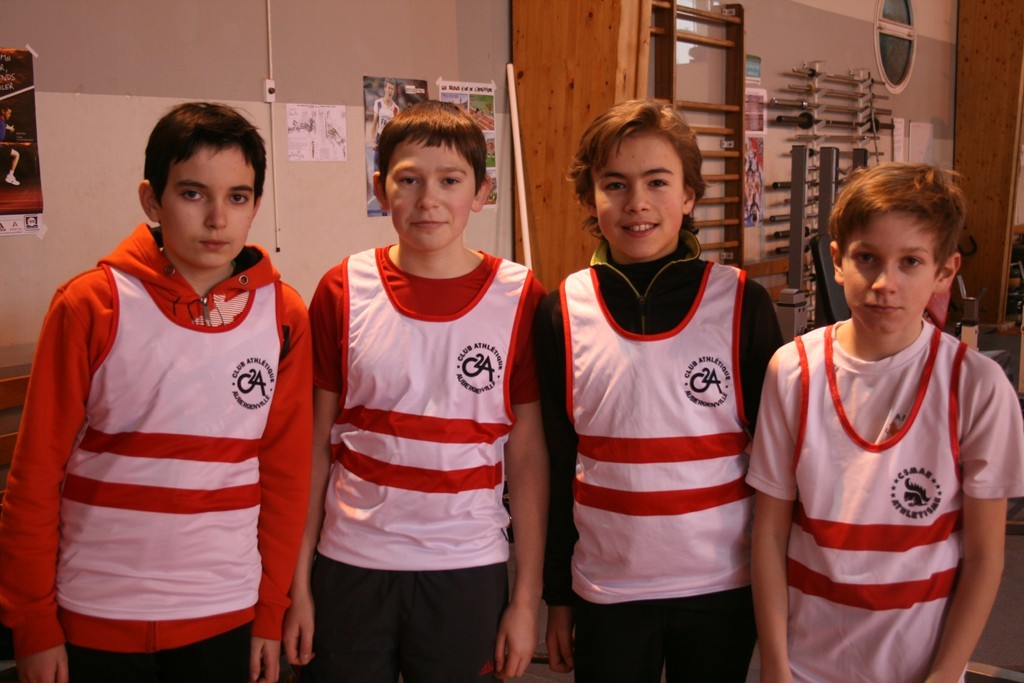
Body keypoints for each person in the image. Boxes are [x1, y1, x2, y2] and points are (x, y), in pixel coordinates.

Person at [0, 102, 313, 683]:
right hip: (95, 611)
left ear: (255, 206)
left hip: (227, 612)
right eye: (193, 194)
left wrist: (271, 610)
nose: (217, 218)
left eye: (238, 197)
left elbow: (286, 476)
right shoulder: (91, 304)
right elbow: (34, 477)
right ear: (151, 200)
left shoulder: (284, 314)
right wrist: (33, 622)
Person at [283, 100, 549, 681]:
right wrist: (296, 583)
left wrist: (527, 599)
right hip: (350, 562)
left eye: (450, 180)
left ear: (481, 192)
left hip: (467, 567)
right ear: (381, 188)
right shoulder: (342, 288)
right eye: (408, 180)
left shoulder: (519, 296)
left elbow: (528, 457)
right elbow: (314, 447)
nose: (428, 199)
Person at [536, 99, 783, 682]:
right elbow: (556, 465)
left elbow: (781, 465)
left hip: (723, 586)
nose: (637, 202)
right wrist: (557, 595)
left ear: (690, 195)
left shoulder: (741, 303)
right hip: (608, 587)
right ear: (589, 199)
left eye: (657, 182)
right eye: (614, 184)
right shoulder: (562, 311)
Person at [748, 163, 1024, 683]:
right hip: (806, 664)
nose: (883, 284)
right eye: (867, 258)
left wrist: (945, 673)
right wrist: (775, 665)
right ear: (837, 260)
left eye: (910, 262)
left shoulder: (977, 387)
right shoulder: (793, 370)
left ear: (945, 271)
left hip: (919, 666)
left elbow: (986, 557)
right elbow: (769, 533)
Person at [1, 106, 21, 185]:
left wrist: (10, 128)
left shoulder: (3, 122)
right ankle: (10, 176)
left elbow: (5, 126)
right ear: (3, 111)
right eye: (8, 113)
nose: (9, 115)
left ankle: (10, 176)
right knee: (16, 154)